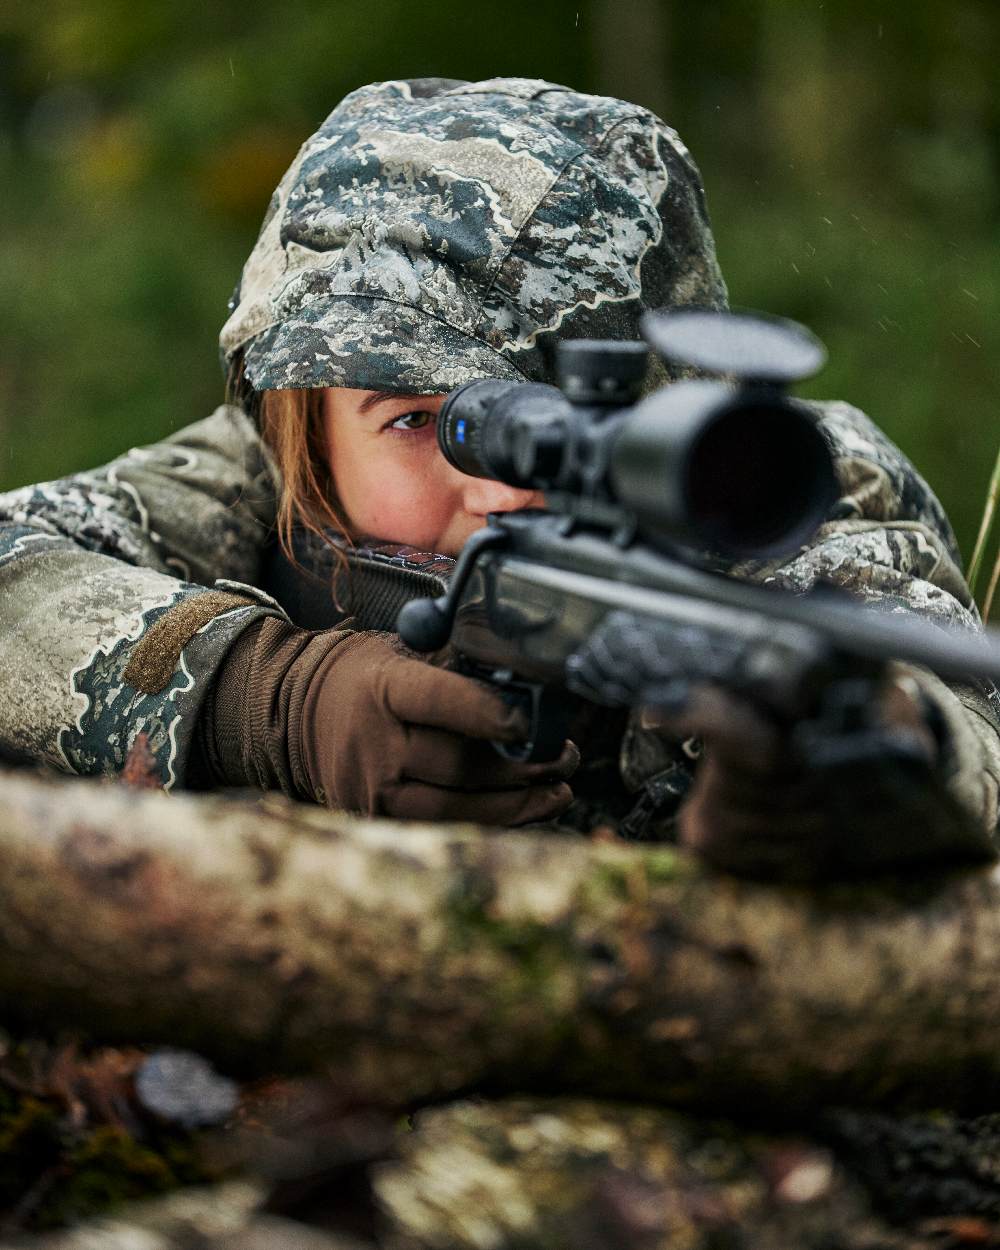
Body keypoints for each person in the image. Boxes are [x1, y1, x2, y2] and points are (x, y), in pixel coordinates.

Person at [0, 77, 997, 876]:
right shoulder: (247, 481)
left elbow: (958, 717)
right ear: (297, 420)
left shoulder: (769, 489)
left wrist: (855, 763)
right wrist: (270, 700)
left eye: (563, 405)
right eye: (419, 421)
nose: (505, 489)